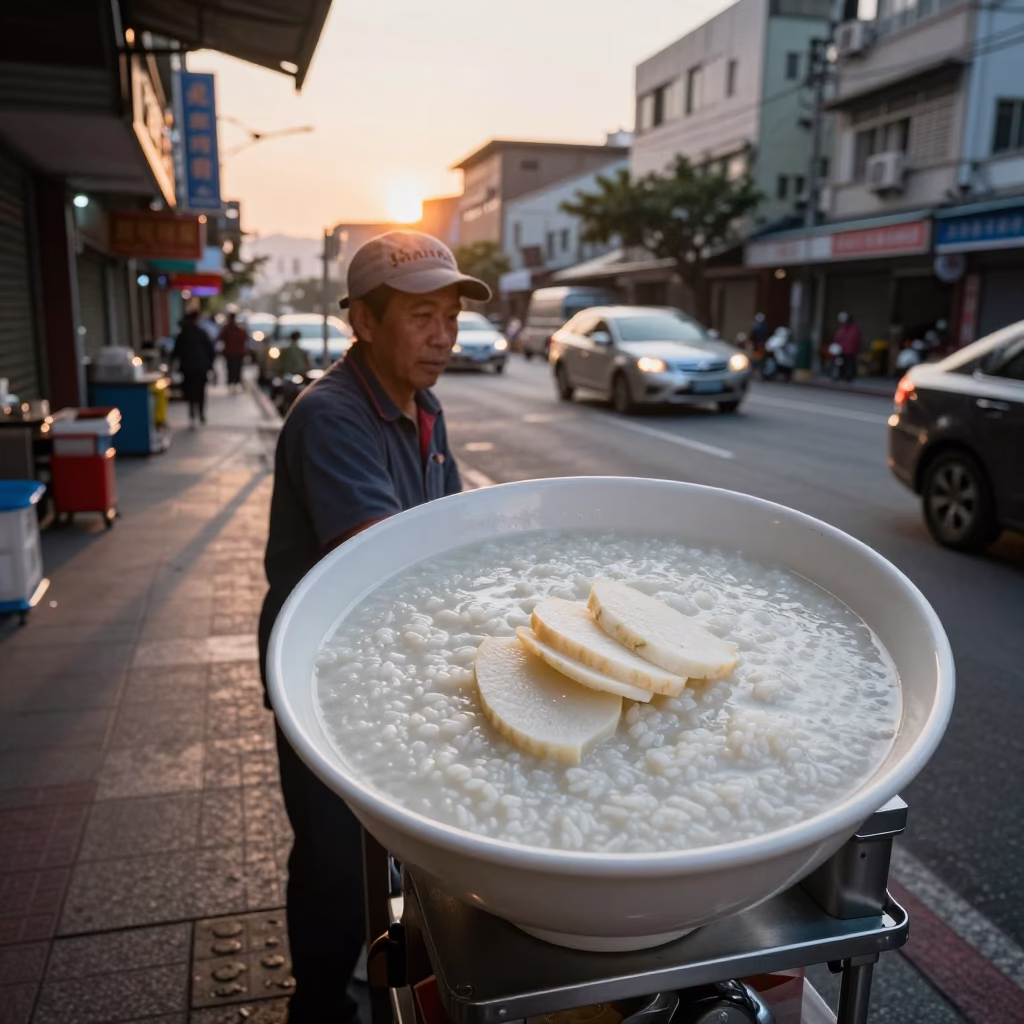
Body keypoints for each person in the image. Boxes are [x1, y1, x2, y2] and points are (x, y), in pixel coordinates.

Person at [258, 230, 490, 1024]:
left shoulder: (424, 410)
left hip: (391, 665)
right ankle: (318, 1006)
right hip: (326, 677)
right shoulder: (332, 416)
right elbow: (384, 560)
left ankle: (389, 977)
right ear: (362, 319)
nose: (443, 337)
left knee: (388, 854)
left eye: (451, 318)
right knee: (332, 859)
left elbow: (455, 537)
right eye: (423, 316)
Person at [172, 311, 215, 425]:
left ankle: (192, 413)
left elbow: (176, 352)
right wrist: (210, 365)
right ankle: (200, 413)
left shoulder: (183, 335)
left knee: (190, 390)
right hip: (201, 367)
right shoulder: (202, 333)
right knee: (200, 391)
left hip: (188, 368)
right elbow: (211, 350)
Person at [218, 312, 249, 392]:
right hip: (236, 353)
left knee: (231, 368)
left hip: (231, 353)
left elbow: (220, 338)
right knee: (236, 368)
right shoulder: (234, 329)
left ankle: (232, 383)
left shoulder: (228, 328)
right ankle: (235, 383)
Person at [833, 312, 862, 382]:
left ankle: (847, 376)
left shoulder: (852, 329)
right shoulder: (845, 329)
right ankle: (842, 376)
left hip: (848, 350)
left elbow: (854, 340)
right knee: (842, 364)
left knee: (848, 364)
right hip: (843, 350)